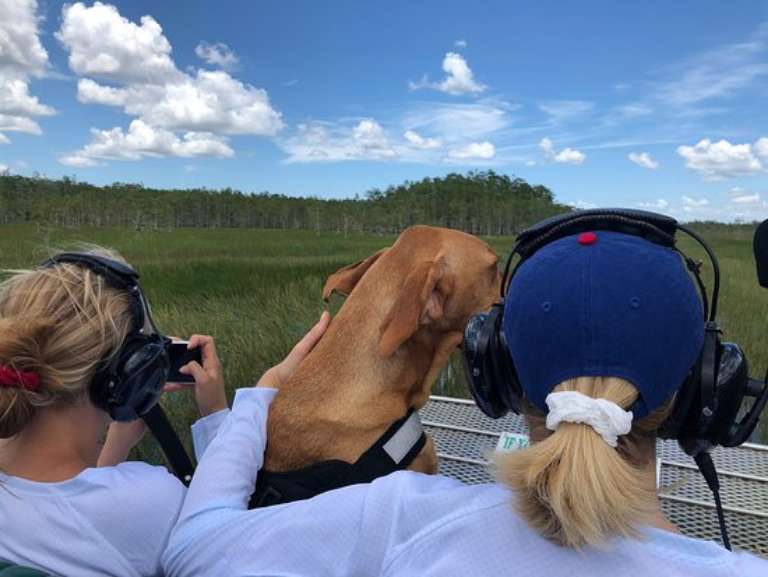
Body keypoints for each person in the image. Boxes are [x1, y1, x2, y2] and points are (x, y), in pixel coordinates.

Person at [163, 228, 768, 576]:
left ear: (497, 370)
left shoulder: (403, 512)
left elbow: (191, 552)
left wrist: (256, 399)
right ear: (705, 388)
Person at [0, 248, 228, 577]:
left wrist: (115, 447)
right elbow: (228, 536)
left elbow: (72, 510)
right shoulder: (151, 500)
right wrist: (216, 417)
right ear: (126, 373)